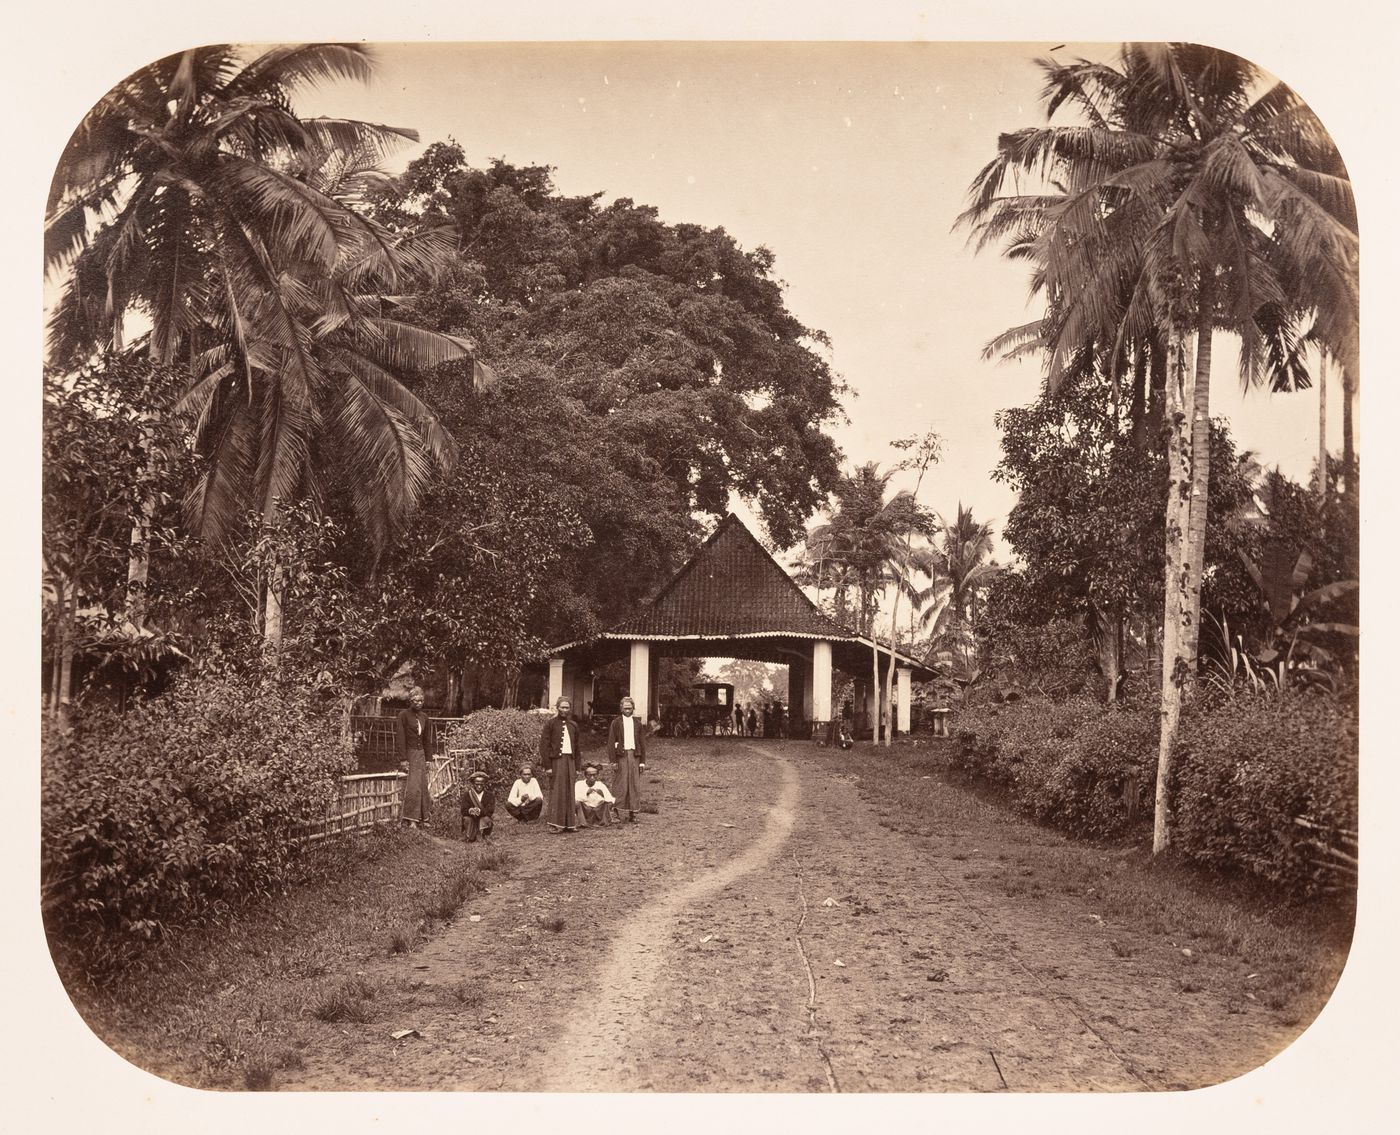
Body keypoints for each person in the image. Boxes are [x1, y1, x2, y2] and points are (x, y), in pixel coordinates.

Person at [538, 696, 583, 833]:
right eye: (562, 707)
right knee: (557, 791)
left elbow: (577, 747)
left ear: (570, 709)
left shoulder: (573, 725)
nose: (564, 710)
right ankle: (556, 823)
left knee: (570, 790)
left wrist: (577, 766)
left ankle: (570, 823)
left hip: (570, 761)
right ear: (557, 708)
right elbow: (544, 746)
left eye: (567, 707)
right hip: (556, 762)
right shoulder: (550, 724)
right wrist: (548, 766)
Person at [394, 687, 435, 828]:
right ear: (410, 701)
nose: (419, 703)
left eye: (421, 700)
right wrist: (403, 759)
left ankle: (424, 817)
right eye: (416, 700)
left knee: (422, 786)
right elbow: (400, 738)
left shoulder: (424, 717)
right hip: (410, 754)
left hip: (421, 754)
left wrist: (428, 759)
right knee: (413, 786)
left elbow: (426, 741)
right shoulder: (403, 715)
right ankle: (411, 820)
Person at [606, 695, 648, 822]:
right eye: (625, 708)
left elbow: (642, 743)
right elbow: (611, 742)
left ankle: (633, 813)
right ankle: (616, 812)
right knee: (620, 783)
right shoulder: (616, 723)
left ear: (633, 708)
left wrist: (642, 762)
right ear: (621, 709)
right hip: (621, 756)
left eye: (630, 708)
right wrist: (613, 761)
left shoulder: (638, 724)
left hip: (634, 756)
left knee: (634, 784)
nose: (628, 711)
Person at [461, 770, 496, 843]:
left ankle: (483, 834)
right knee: (466, 819)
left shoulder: (490, 795)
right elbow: (463, 810)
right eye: (477, 784)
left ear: (485, 784)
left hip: (483, 819)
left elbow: (490, 811)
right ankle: (470, 836)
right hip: (471, 819)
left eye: (481, 784)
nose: (479, 786)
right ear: (473, 783)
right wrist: (470, 811)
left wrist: (480, 811)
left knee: (486, 819)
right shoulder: (467, 795)